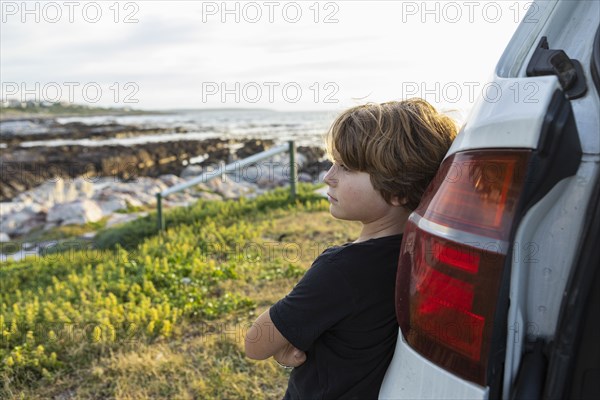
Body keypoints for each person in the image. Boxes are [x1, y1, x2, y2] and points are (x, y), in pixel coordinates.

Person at [245, 99, 458, 399]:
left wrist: (286, 350)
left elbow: (256, 343)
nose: (328, 177)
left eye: (345, 167)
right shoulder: (421, 252)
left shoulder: (341, 271)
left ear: (397, 188)